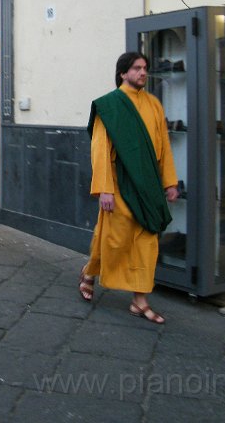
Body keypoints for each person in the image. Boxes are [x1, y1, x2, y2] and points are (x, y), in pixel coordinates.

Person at [79, 52, 179, 325]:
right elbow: (100, 149)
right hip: (119, 183)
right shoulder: (109, 106)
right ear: (123, 73)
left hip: (148, 185)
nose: (143, 72)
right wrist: (105, 189)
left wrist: (169, 181)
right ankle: (89, 272)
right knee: (114, 238)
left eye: (145, 68)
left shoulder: (154, 104)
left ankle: (139, 300)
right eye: (136, 68)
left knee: (147, 241)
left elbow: (163, 144)